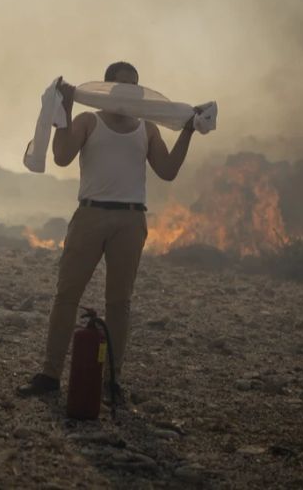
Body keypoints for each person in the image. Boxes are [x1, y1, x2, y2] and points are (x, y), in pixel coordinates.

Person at [17, 61, 202, 400]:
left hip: (131, 221)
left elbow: (168, 170)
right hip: (91, 214)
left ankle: (110, 381)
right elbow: (61, 156)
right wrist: (68, 106)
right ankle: (49, 374)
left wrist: (188, 131)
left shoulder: (146, 129)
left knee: (119, 303)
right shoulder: (90, 121)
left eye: (134, 85)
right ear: (108, 89)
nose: (127, 91)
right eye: (121, 85)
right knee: (66, 296)